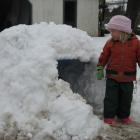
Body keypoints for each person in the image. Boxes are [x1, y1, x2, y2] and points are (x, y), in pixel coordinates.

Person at [96, 15, 140, 125]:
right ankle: (109, 116)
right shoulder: (110, 43)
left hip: (128, 78)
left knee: (126, 99)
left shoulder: (136, 43)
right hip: (112, 77)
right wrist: (99, 70)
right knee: (111, 99)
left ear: (122, 31)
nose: (111, 33)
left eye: (113, 31)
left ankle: (124, 116)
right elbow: (103, 57)